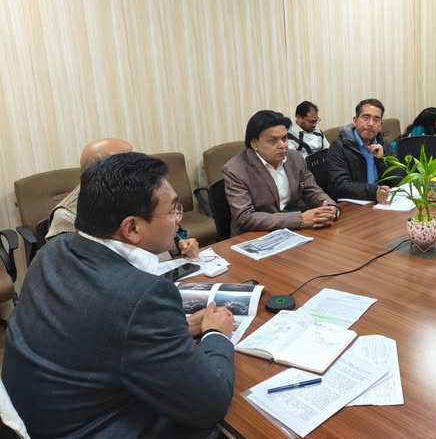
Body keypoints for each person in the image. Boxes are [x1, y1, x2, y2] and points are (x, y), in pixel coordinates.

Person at [2, 153, 236, 438]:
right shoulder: (142, 296)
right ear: (132, 228)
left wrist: (180, 328)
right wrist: (216, 334)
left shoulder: (52, 252)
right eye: (174, 210)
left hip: (39, 418)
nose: (179, 219)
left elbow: (97, 329)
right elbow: (210, 404)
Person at [45, 138, 199, 258]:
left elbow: (164, 225)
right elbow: (75, 269)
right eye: (128, 162)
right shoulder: (66, 215)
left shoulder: (140, 190)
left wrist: (180, 243)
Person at [224, 110, 339, 235]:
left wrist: (329, 207)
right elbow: (245, 217)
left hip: (293, 231)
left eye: (284, 138)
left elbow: (312, 189)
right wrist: (299, 219)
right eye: (273, 141)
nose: (282, 145)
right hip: (255, 235)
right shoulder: (235, 170)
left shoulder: (295, 157)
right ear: (255, 144)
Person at [327, 98, 398, 202]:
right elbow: (340, 185)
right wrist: (375, 191)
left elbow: (397, 179)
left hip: (382, 201)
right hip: (354, 205)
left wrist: (381, 160)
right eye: (366, 118)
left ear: (380, 125)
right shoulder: (339, 147)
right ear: (355, 121)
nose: (371, 124)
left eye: (376, 119)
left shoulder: (384, 144)